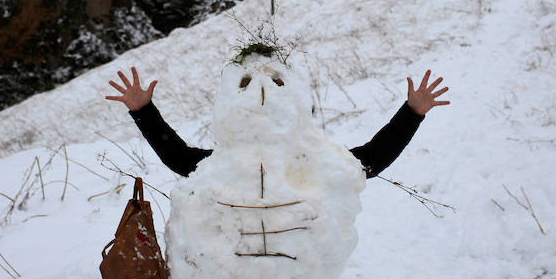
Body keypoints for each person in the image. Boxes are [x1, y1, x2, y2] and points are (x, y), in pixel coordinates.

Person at [106, 64, 449, 179]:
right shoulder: (227, 164)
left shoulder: (310, 162)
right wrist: (144, 111)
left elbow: (371, 160)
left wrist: (411, 113)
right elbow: (179, 158)